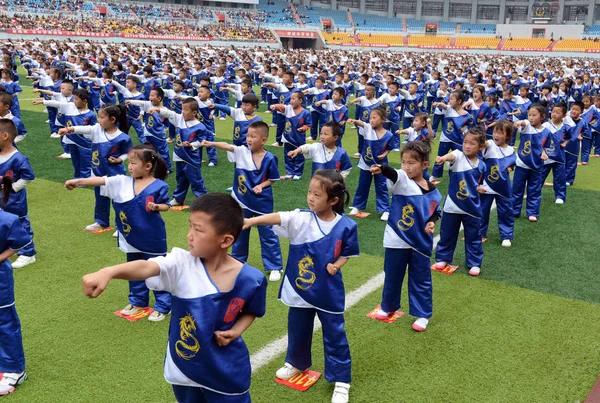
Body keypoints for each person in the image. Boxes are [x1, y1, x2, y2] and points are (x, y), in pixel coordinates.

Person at [82, 193, 267, 402]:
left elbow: (251, 311)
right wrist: (109, 271)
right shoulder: (181, 264)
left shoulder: (252, 280)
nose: (189, 235)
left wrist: (235, 331)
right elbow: (146, 266)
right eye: (190, 226)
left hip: (226, 369)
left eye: (198, 230)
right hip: (184, 366)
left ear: (225, 240)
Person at [244, 170, 358, 403]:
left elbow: (347, 253)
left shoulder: (347, 225)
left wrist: (336, 265)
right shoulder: (302, 218)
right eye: (309, 192)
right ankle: (296, 363)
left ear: (334, 200)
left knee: (335, 334)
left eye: (317, 194)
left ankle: (341, 379)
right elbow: (278, 217)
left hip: (328, 292)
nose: (310, 198)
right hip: (300, 291)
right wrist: (252, 221)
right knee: (297, 328)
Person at [66, 144, 172, 321]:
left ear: (147, 166)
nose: (129, 166)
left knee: (156, 270)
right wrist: (77, 182)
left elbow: (167, 205)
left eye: (133, 163)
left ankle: (163, 304)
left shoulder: (158, 185)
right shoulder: (122, 181)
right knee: (133, 269)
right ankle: (138, 301)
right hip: (130, 237)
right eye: (129, 162)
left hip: (152, 237)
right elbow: (101, 181)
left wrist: (157, 207)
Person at [369, 141, 441, 331]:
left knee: (421, 279)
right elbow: (392, 173)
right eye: (404, 162)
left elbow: (435, 210)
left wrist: (432, 221)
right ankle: (387, 306)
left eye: (412, 163)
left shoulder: (433, 191)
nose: (406, 167)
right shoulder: (401, 180)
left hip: (420, 243)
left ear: (425, 165)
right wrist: (382, 168)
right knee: (392, 276)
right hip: (396, 239)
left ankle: (423, 314)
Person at [201, 121, 283, 282]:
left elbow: (273, 179)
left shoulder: (270, 158)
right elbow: (226, 146)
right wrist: (211, 143)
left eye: (253, 136)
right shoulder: (241, 152)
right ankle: (238, 262)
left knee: (268, 234)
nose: (249, 139)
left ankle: (274, 267)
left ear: (264, 140)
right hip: (241, 201)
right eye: (248, 136)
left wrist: (261, 185)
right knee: (239, 233)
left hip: (262, 203)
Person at [58, 104, 133, 232]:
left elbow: (128, 153)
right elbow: (85, 129)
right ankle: (101, 222)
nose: (99, 120)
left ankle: (121, 225)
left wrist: (120, 159)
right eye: (98, 117)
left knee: (118, 200)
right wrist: (69, 129)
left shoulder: (123, 137)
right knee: (100, 198)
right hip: (98, 173)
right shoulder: (97, 130)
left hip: (115, 174)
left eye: (102, 117)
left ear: (112, 119)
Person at [434, 127, 486, 277]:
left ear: (480, 147)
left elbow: (478, 183)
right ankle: (443, 257)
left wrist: (479, 188)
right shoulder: (458, 156)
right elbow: (452, 156)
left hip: (472, 207)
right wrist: (443, 158)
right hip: (453, 205)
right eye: (465, 142)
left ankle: (474, 262)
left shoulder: (482, 165)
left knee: (474, 236)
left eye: (472, 143)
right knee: (447, 233)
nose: (467, 146)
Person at [0, 175, 31, 395]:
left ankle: (14, 370)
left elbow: (22, 242)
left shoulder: (7, 220)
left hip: (0, 283)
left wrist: (1, 257)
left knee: (5, 324)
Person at [149, 98, 210, 206]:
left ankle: (204, 201)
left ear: (194, 112)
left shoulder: (200, 126)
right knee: (181, 179)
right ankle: (178, 198)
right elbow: (170, 114)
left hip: (191, 158)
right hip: (179, 155)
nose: (183, 112)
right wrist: (158, 110)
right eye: (182, 109)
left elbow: (202, 141)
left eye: (186, 110)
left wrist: (191, 145)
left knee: (195, 180)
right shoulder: (180, 119)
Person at [34, 88, 96, 179]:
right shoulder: (70, 106)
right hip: (71, 139)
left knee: (85, 161)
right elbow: (56, 104)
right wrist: (42, 102)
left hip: (84, 142)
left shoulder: (91, 114)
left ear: (85, 101)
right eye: (74, 98)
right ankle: (77, 177)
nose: (74, 101)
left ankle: (85, 178)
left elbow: (92, 129)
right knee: (75, 161)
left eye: (77, 99)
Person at [0, 118, 36, 270]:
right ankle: (9, 245)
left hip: (14, 200)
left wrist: (12, 188)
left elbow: (28, 177)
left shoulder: (19, 158)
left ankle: (28, 253)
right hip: (1, 198)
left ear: (5, 136)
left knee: (21, 223)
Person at [347, 108, 394, 221]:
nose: (371, 120)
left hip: (380, 166)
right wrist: (354, 120)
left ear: (382, 119)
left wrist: (384, 154)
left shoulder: (388, 135)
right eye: (370, 117)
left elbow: (389, 148)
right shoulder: (368, 129)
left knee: (381, 186)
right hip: (365, 164)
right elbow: (361, 123)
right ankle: (358, 206)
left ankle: (386, 210)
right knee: (362, 185)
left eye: (374, 118)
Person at [477, 119, 517, 247]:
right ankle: (480, 233)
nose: (496, 135)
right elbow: (481, 146)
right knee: (482, 210)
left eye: (500, 133)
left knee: (505, 211)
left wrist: (510, 167)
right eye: (495, 132)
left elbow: (511, 165)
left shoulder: (511, 150)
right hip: (486, 185)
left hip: (503, 187)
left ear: (508, 136)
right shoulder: (489, 144)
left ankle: (506, 235)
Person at [512, 104, 550, 222]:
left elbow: (544, 147)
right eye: (529, 115)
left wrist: (544, 153)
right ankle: (514, 210)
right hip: (522, 164)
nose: (531, 117)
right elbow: (524, 122)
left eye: (534, 115)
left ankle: (532, 212)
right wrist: (519, 123)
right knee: (517, 188)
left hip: (537, 165)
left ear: (542, 117)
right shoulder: (527, 126)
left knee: (534, 189)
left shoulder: (547, 132)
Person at [430, 90, 473, 184]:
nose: (450, 100)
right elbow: (444, 106)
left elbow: (469, 126)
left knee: (459, 158)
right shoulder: (449, 109)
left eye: (452, 98)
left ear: (459, 101)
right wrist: (439, 103)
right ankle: (434, 176)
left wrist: (464, 129)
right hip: (445, 138)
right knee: (440, 156)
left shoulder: (466, 115)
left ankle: (457, 175)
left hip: (458, 140)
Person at [125, 88, 173, 173]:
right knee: (149, 151)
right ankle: (152, 166)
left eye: (152, 95)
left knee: (163, 152)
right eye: (150, 95)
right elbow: (141, 103)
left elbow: (169, 120)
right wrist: (131, 101)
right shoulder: (148, 104)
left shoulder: (164, 110)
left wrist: (164, 129)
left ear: (159, 98)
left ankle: (167, 168)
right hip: (148, 133)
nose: (150, 97)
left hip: (158, 135)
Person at [270, 91, 312, 180]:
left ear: (300, 100)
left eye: (293, 99)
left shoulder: (305, 113)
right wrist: (275, 106)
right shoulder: (289, 109)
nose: (291, 101)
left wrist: (303, 128)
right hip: (288, 138)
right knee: (287, 155)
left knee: (299, 156)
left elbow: (308, 124)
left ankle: (298, 172)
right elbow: (282, 107)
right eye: (290, 99)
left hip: (299, 139)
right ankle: (289, 172)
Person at [288, 122, 352, 178]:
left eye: (325, 134)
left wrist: (340, 179)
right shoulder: (317, 147)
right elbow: (307, 147)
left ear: (335, 137)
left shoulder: (341, 153)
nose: (322, 136)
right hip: (316, 186)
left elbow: (346, 168)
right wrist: (296, 151)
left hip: (333, 188)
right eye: (321, 133)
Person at [541, 103, 568, 204]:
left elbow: (570, 136)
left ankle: (560, 196)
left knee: (560, 178)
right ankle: (534, 193)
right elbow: (539, 140)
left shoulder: (565, 127)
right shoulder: (545, 125)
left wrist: (565, 143)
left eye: (558, 112)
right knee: (539, 177)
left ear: (564, 115)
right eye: (553, 112)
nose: (554, 114)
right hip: (546, 157)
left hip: (559, 157)